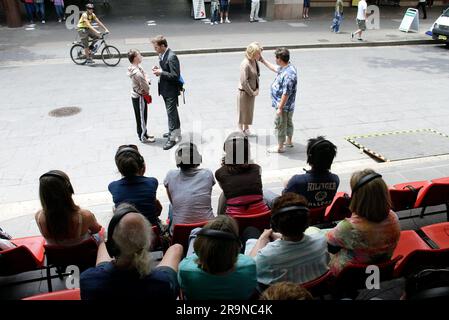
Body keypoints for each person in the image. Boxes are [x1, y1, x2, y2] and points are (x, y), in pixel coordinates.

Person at [80, 203, 183, 300]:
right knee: (177, 248)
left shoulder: (88, 280)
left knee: (102, 247)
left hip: (107, 275)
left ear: (111, 247)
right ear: (147, 243)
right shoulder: (163, 283)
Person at [326, 169, 401, 275]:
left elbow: (329, 243)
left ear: (356, 196)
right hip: (380, 270)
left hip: (350, 274)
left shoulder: (349, 227)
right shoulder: (394, 218)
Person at [245, 193, 329, 286]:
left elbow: (248, 267)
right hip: (314, 291)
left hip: (280, 293)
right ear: (308, 222)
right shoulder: (322, 240)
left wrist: (262, 239)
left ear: (275, 226)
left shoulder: (267, 256)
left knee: (250, 231)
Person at [178, 215, 257, 300]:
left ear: (199, 245)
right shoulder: (249, 266)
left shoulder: (185, 269)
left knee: (195, 231)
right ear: (237, 247)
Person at [35, 170, 103, 246]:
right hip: (83, 254)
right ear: (69, 189)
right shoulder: (84, 216)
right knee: (103, 234)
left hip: (56, 256)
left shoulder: (38, 216)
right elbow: (97, 229)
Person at [164, 142, 215, 234]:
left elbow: (173, 202)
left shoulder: (170, 175)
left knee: (172, 207)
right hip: (208, 228)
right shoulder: (207, 174)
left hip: (180, 232)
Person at [215, 132, 270, 216]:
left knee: (224, 194)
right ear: (247, 151)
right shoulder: (257, 168)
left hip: (236, 221)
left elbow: (226, 190)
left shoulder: (219, 173)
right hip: (261, 217)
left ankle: (220, 217)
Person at [108, 145, 163, 228]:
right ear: (141, 165)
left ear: (119, 169)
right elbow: (158, 211)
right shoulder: (152, 182)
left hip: (127, 233)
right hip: (152, 232)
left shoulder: (113, 186)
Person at [282, 136, 339, 208]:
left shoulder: (297, 181)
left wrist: (287, 185)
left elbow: (284, 199)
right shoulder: (335, 180)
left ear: (310, 157)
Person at [260, 47, 298, 153]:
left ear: (280, 59)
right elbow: (275, 68)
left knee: (280, 125)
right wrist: (263, 61)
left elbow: (286, 93)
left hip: (284, 106)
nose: (275, 60)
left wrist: (280, 108)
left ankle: (280, 147)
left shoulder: (288, 75)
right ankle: (289, 142)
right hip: (289, 105)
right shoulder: (288, 67)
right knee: (289, 122)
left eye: (276, 58)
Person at [151, 35, 183, 150]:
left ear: (163, 46)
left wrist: (161, 72)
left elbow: (175, 75)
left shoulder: (172, 57)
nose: (155, 50)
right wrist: (159, 70)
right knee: (172, 112)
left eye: (156, 47)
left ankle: (172, 138)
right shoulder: (163, 54)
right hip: (165, 88)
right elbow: (166, 70)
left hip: (171, 90)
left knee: (171, 113)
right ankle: (176, 131)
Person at [127, 49, 155, 144]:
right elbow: (146, 87)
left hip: (138, 95)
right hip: (139, 97)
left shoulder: (137, 67)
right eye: (139, 55)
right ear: (135, 58)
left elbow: (146, 74)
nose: (141, 56)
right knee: (142, 117)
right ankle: (143, 136)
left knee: (142, 116)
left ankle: (144, 133)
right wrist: (148, 82)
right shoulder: (137, 73)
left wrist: (146, 79)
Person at [238, 42, 262, 137]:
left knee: (248, 111)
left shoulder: (253, 60)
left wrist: (257, 46)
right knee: (242, 112)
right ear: (252, 53)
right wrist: (252, 92)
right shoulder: (245, 64)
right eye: (258, 53)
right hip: (245, 92)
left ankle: (246, 129)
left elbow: (258, 46)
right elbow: (244, 82)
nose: (260, 55)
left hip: (252, 92)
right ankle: (240, 131)